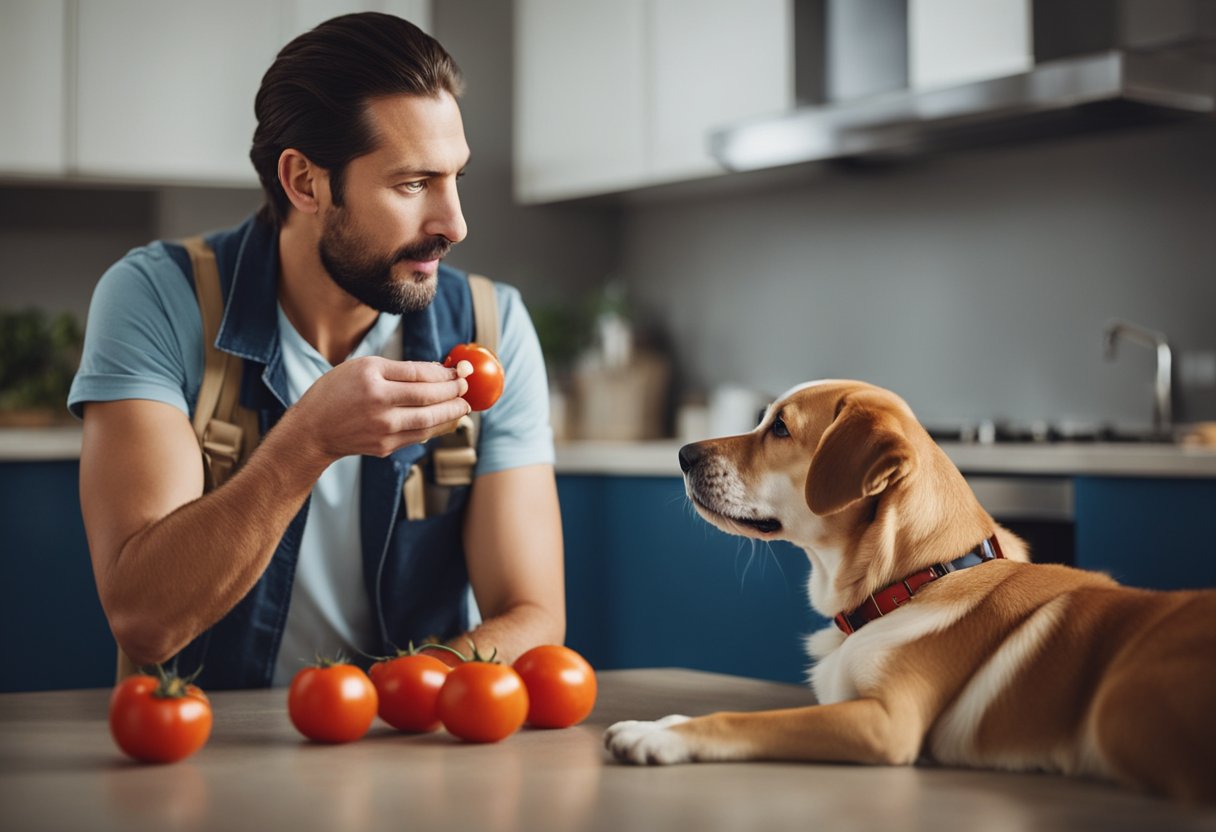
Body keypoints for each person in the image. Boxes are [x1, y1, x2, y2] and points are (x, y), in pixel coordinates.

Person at [68, 13, 564, 689]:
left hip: (413, 745)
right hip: (204, 746)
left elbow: (532, 614)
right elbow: (144, 621)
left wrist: (393, 694)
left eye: (456, 179)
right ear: (305, 183)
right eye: (413, 184)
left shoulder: (491, 324)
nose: (455, 224)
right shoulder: (156, 298)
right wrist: (306, 444)